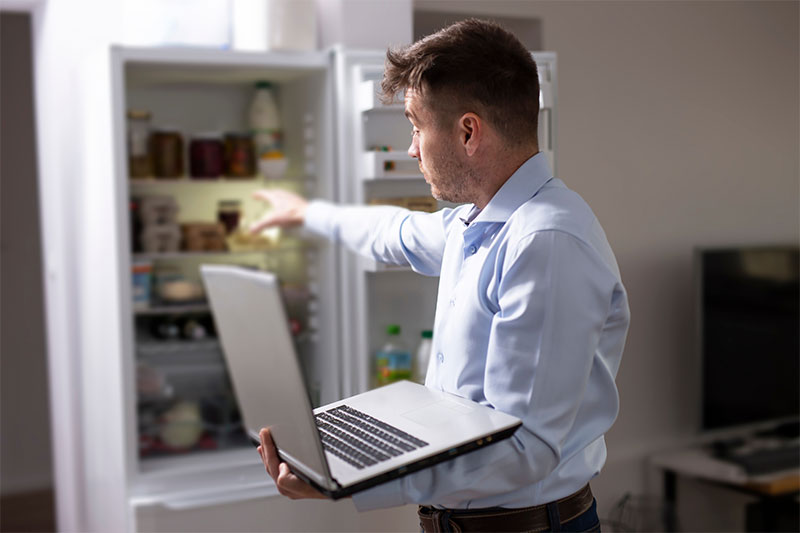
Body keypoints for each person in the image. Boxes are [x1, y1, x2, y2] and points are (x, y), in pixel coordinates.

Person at [251, 18, 629, 533]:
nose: (411, 149)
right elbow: (396, 232)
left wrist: (352, 477)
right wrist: (305, 213)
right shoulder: (480, 222)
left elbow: (526, 450)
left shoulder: (545, 244)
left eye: (415, 125)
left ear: (468, 131)